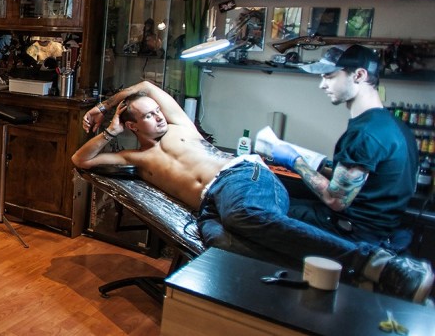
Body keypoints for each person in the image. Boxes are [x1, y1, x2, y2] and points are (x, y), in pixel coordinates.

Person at [73, 80, 432, 303]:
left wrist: (104, 106)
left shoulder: (182, 126)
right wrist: (110, 130)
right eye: (149, 116)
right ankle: (350, 281)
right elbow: (81, 159)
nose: (159, 116)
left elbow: (147, 86)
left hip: (242, 177)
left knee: (244, 215)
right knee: (220, 243)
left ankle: (376, 264)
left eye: (157, 112)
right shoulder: (134, 156)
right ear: (131, 126)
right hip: (211, 208)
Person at [255, 45, 417, 252]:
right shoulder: (395, 126)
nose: (322, 85)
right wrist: (318, 164)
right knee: (285, 199)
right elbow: (367, 179)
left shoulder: (364, 133)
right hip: (378, 229)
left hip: (351, 233)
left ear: (359, 75)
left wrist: (294, 160)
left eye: (330, 77)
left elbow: (335, 199)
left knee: (259, 205)